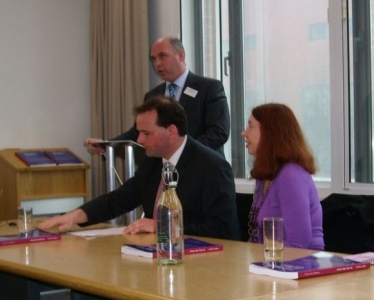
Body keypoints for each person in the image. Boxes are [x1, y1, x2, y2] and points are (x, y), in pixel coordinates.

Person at [39, 96, 240, 240]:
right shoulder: (151, 161)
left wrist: (162, 225)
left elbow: (221, 229)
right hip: (159, 255)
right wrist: (77, 215)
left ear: (171, 131)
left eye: (146, 133)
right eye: (139, 132)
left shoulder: (212, 166)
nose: (139, 139)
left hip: (205, 263)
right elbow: (121, 198)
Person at [85, 36, 230, 157]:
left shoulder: (209, 88)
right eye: (153, 59)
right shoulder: (153, 95)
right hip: (163, 174)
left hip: (202, 171)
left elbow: (218, 132)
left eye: (162, 56)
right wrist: (107, 145)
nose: (157, 64)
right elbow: (137, 133)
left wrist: (182, 153)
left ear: (180, 55)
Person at [241, 103, 324, 250]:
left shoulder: (291, 176)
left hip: (299, 266)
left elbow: (298, 244)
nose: (244, 133)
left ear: (269, 133)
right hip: (271, 263)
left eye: (250, 126)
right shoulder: (265, 175)